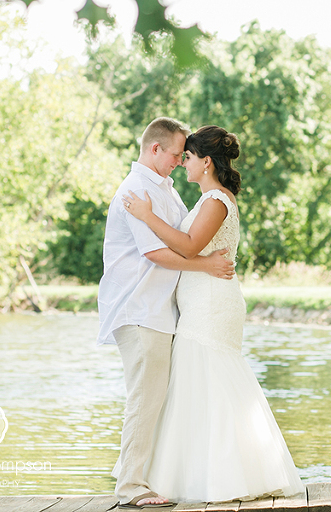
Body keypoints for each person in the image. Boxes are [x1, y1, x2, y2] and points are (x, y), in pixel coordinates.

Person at [120, 125, 304, 503]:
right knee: (197, 385)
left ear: (206, 162)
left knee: (210, 381)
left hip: (210, 304)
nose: (182, 163)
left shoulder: (217, 201)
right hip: (200, 302)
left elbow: (188, 247)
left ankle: (228, 477)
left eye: (187, 157)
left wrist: (146, 215)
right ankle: (203, 476)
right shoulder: (206, 200)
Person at [97, 117, 236, 510]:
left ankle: (142, 479)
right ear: (155, 149)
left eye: (184, 156)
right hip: (140, 308)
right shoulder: (137, 190)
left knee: (156, 398)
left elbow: (182, 240)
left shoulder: (166, 190)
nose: (180, 160)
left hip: (162, 311)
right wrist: (206, 266)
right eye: (176, 154)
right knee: (145, 398)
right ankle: (130, 488)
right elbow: (154, 253)